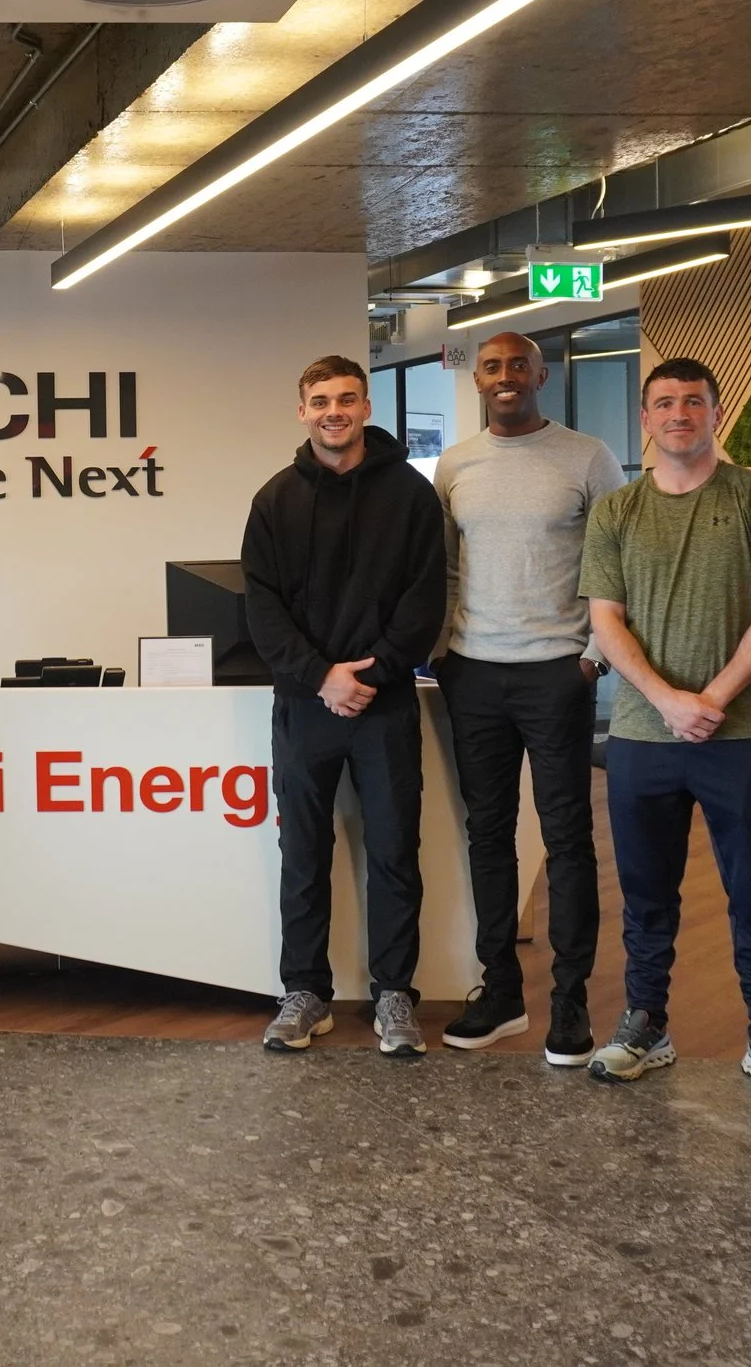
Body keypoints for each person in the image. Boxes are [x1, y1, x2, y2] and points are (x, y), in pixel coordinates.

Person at [581, 356, 751, 1101]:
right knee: (645, 893)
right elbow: (606, 622)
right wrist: (666, 700)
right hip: (641, 737)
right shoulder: (616, 511)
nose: (679, 413)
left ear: (715, 412)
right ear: (646, 420)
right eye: (664, 403)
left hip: (741, 736)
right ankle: (645, 1024)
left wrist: (710, 698)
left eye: (693, 401)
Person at [242, 355, 447, 1058]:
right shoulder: (274, 500)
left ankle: (395, 994)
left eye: (347, 399)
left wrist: (371, 675)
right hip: (304, 705)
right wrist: (321, 676)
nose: (335, 411)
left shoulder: (411, 496)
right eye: (322, 400)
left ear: (366, 407)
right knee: (303, 852)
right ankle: (305, 992)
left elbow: (425, 600)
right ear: (303, 410)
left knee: (393, 849)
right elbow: (262, 609)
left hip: (384, 706)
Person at [431, 332, 624, 1065]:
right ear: (477, 379)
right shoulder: (456, 464)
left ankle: (570, 1000)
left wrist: (593, 658)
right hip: (474, 673)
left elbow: (617, 563)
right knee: (488, 834)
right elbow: (447, 567)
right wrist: (444, 652)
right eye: (492, 366)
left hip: (557, 674)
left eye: (519, 364)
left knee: (567, 837)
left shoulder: (587, 457)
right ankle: (502, 990)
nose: (505, 375)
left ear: (542, 374)